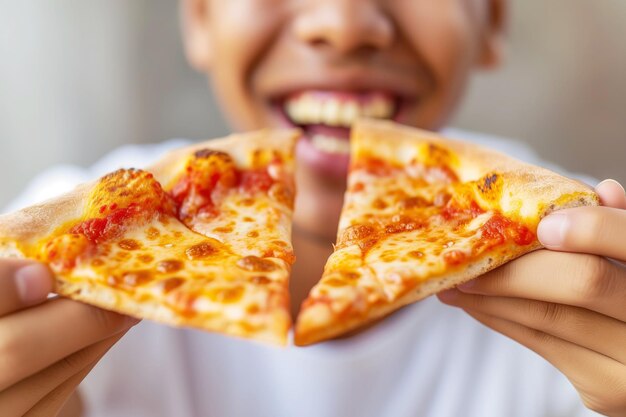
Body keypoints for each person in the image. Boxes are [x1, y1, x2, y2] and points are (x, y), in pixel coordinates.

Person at [1, 1, 625, 416]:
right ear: (198, 16)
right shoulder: (51, 272)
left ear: (490, 20)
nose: (344, 21)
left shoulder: (585, 263)